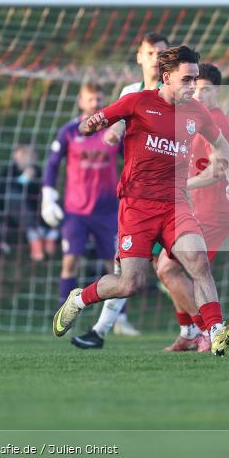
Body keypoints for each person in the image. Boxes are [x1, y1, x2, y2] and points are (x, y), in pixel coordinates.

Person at [52, 46, 229, 357]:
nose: (192, 87)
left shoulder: (197, 113)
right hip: (137, 206)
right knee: (132, 284)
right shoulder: (138, 102)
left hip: (175, 204)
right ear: (166, 78)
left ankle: (215, 330)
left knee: (197, 261)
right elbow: (96, 122)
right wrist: (92, 126)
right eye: (186, 80)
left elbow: (221, 146)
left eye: (195, 80)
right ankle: (79, 299)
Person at [71, 32, 169, 347]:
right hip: (139, 196)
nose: (156, 59)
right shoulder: (131, 93)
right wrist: (112, 132)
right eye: (151, 53)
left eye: (162, 54)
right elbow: (113, 130)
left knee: (180, 265)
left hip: (173, 193)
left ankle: (200, 330)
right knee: (132, 272)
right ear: (140, 57)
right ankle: (100, 330)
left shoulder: (178, 93)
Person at [157, 63, 229, 352]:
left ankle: (206, 330)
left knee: (169, 269)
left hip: (214, 211)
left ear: (218, 91)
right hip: (196, 210)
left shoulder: (216, 121)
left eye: (206, 90)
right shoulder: (195, 117)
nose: (200, 95)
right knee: (171, 269)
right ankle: (192, 331)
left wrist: (184, 185)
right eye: (196, 89)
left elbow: (217, 170)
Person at [41, 82, 121, 310]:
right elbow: (53, 164)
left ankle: (119, 318)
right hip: (76, 211)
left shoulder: (113, 131)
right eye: (90, 99)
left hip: (107, 211)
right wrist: (48, 194)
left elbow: (132, 159)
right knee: (70, 261)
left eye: (98, 98)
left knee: (115, 266)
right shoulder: (68, 131)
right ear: (81, 102)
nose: (95, 103)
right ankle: (64, 314)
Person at [0, 143, 58, 261]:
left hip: (39, 217)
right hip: (14, 220)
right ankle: (35, 237)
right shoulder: (9, 171)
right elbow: (3, 196)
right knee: (13, 197)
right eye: (24, 152)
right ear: (16, 155)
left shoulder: (39, 172)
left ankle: (50, 236)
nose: (28, 156)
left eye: (32, 153)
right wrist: (24, 180)